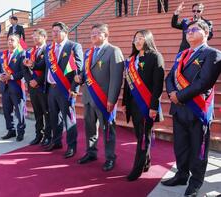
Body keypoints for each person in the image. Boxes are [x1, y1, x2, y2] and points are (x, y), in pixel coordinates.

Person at [163, 20, 221, 196]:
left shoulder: (213, 54)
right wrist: (172, 93)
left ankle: (195, 182)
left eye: (194, 29)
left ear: (205, 32)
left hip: (197, 110)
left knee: (198, 149)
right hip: (179, 109)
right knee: (180, 146)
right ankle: (181, 175)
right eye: (187, 30)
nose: (189, 32)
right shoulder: (182, 54)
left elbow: (204, 82)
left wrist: (179, 96)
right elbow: (169, 78)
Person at [74, 23, 124, 171]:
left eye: (96, 33)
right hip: (89, 98)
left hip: (104, 100)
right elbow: (85, 72)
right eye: (92, 33)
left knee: (107, 129)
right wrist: (80, 78)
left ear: (106, 35)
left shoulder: (114, 51)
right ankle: (91, 152)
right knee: (90, 128)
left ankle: (110, 157)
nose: (93, 36)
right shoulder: (89, 52)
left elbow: (116, 79)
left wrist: (112, 99)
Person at [122, 30, 164, 181]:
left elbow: (158, 85)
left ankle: (137, 169)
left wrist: (153, 107)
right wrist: (125, 103)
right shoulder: (131, 59)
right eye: (135, 38)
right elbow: (127, 85)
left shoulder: (155, 57)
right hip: (133, 104)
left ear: (148, 39)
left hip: (146, 105)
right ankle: (146, 162)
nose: (138, 41)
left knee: (142, 138)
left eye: (141, 38)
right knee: (140, 135)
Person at [44, 22, 83, 159]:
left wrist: (74, 89)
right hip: (51, 88)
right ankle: (57, 141)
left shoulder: (73, 46)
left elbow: (78, 69)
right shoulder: (49, 48)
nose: (54, 33)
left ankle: (71, 146)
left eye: (57, 31)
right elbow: (45, 67)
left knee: (68, 119)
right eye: (52, 31)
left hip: (66, 89)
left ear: (65, 32)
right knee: (54, 117)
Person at [22, 28, 52, 146]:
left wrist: (37, 81)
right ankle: (38, 134)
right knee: (37, 112)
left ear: (44, 37)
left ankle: (48, 136)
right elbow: (24, 68)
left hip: (44, 86)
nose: (34, 38)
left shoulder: (48, 50)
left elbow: (47, 69)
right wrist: (30, 81)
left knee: (47, 112)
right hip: (33, 87)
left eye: (37, 36)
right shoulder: (29, 52)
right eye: (33, 36)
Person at [0, 34, 26, 142]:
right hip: (5, 87)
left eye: (12, 40)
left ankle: (21, 131)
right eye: (8, 40)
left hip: (16, 87)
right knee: (7, 111)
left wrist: (12, 76)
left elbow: (23, 72)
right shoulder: (2, 54)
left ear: (18, 42)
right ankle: (11, 130)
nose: (9, 42)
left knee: (19, 111)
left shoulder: (22, 54)